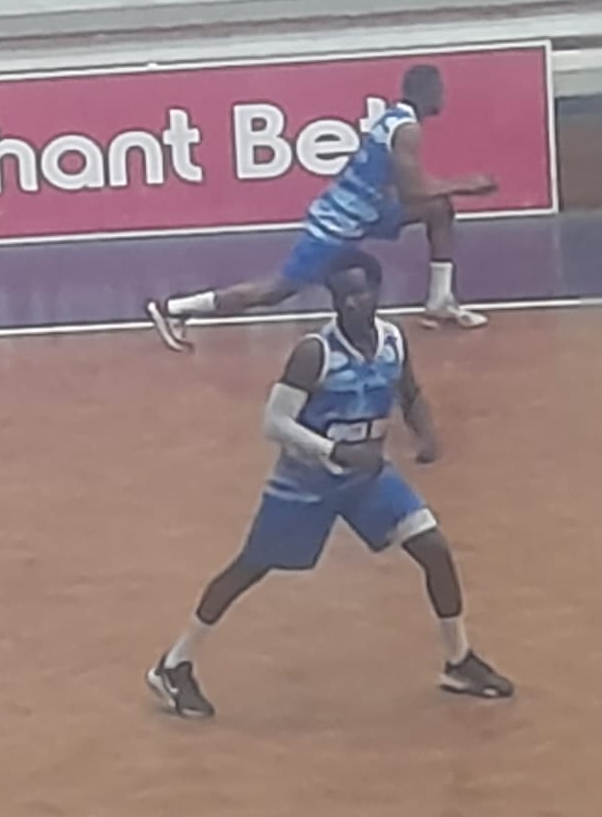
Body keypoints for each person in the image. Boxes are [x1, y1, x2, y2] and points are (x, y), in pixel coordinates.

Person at [146, 250, 513, 718]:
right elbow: (274, 423)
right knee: (249, 568)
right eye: (343, 295)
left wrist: (427, 432)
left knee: (434, 549)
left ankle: (459, 660)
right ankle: (174, 665)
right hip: (306, 483)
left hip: (368, 478)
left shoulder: (393, 342)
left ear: (378, 290)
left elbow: (411, 393)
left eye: (361, 291)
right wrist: (330, 451)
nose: (354, 302)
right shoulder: (313, 353)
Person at [146, 64, 497, 350]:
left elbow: (410, 190)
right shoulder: (406, 131)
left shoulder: (395, 119)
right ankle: (175, 309)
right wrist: (467, 183)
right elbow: (413, 191)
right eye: (440, 90)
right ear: (425, 93)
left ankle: (440, 300)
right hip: (339, 224)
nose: (443, 97)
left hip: (369, 211)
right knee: (275, 290)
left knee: (439, 210)